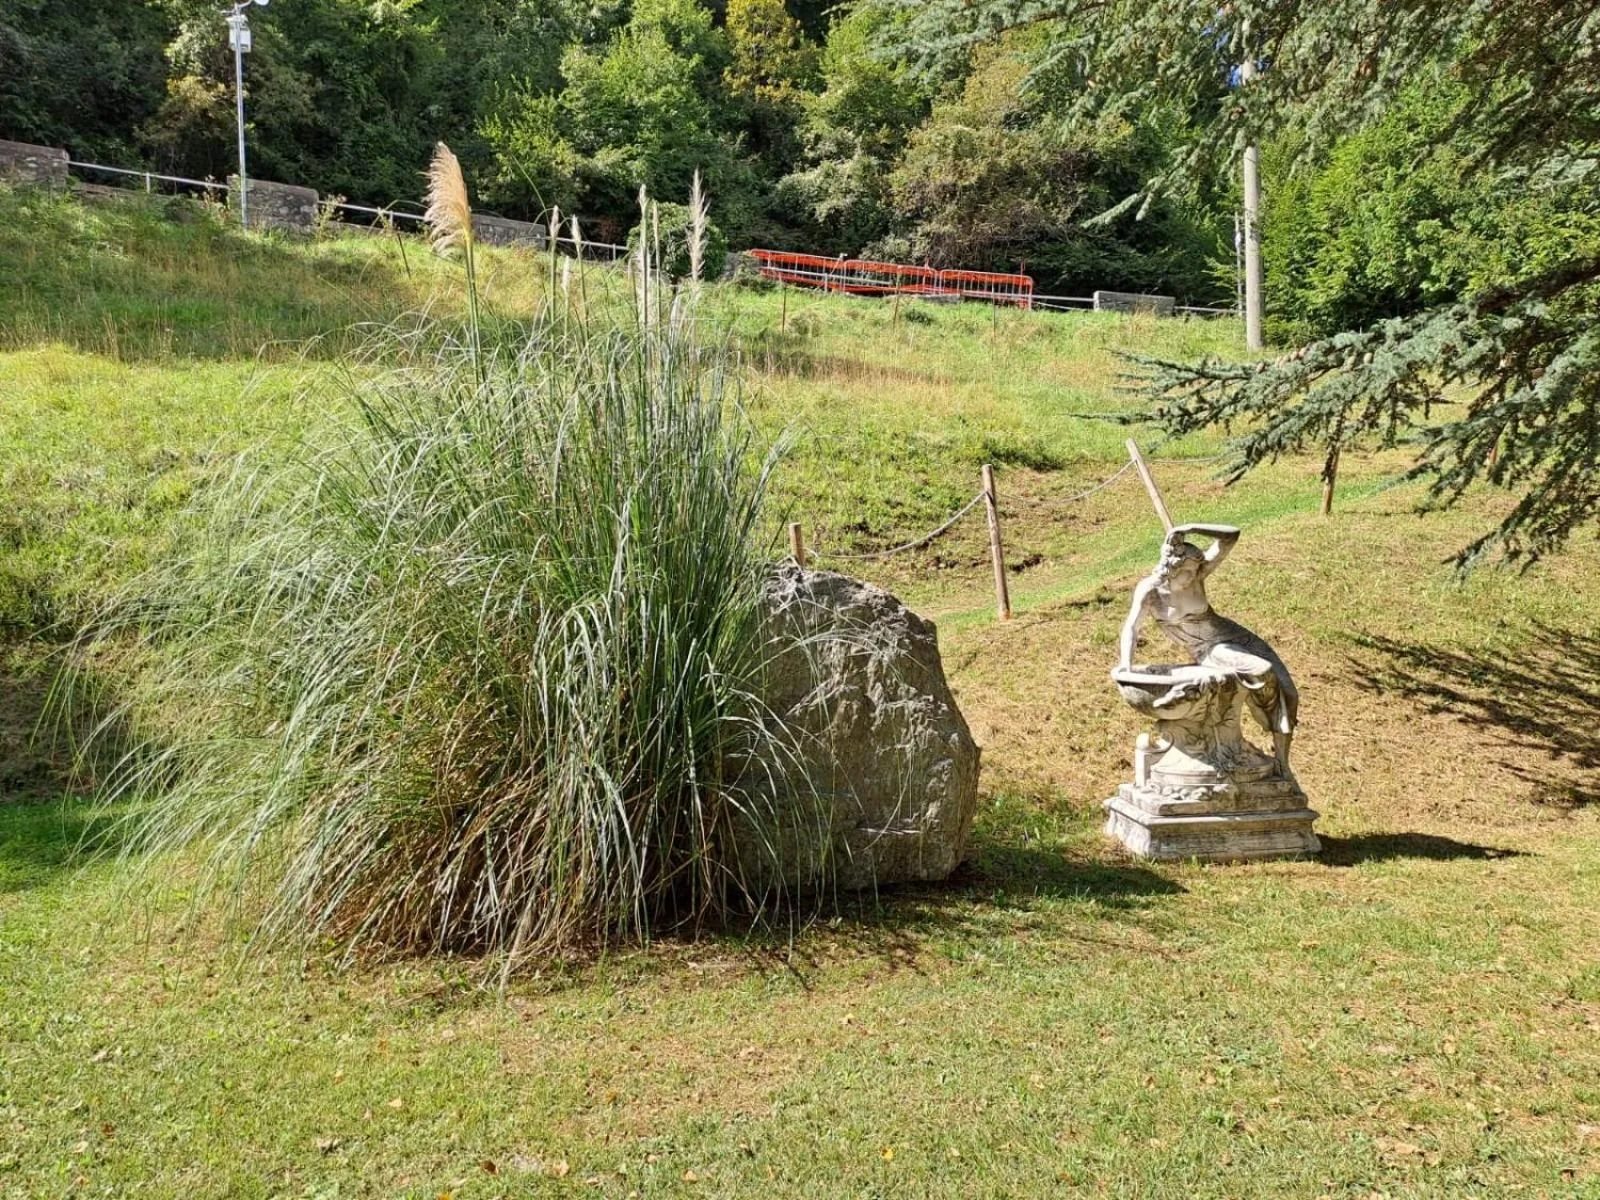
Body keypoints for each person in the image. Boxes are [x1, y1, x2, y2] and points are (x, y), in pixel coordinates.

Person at [1117, 523, 1299, 771]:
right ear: (1172, 569)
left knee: (1289, 693)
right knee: (1263, 669)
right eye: (1188, 571)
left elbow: (1231, 537)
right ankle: (1254, 750)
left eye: (1195, 571)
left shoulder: (1198, 576)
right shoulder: (1150, 591)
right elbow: (1132, 627)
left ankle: (1283, 767)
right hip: (1211, 650)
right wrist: (1125, 666)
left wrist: (1191, 528)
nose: (1194, 575)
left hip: (1237, 637)